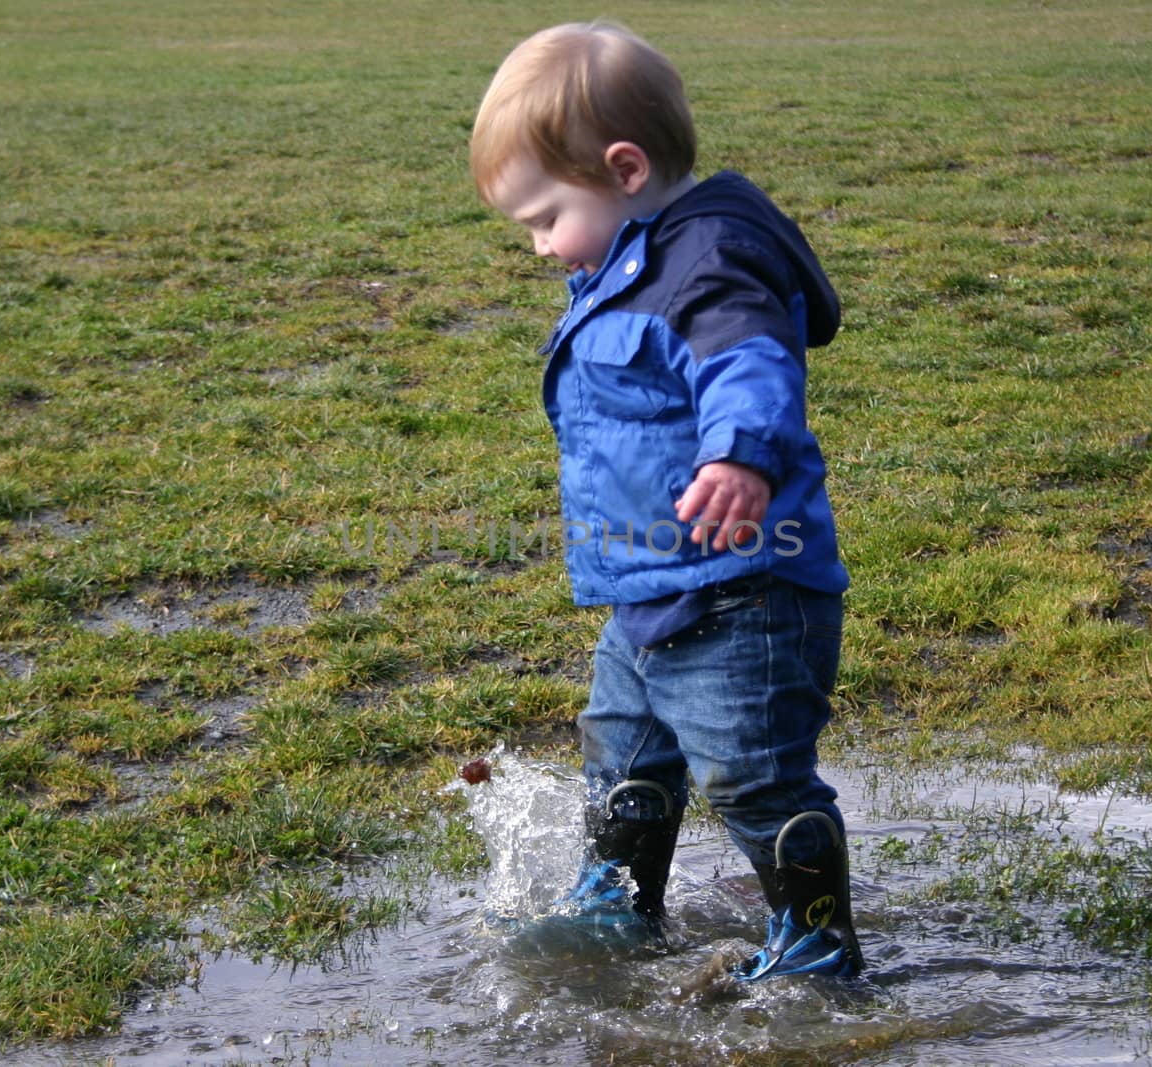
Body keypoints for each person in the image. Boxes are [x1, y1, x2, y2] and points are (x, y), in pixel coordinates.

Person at [469, 21, 862, 980]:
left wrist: (742, 456)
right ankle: (619, 899)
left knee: (751, 773)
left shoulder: (712, 261)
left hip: (744, 590)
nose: (536, 245)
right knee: (622, 754)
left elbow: (750, 362)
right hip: (650, 589)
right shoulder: (625, 256)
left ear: (626, 168)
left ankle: (814, 937)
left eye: (544, 216)